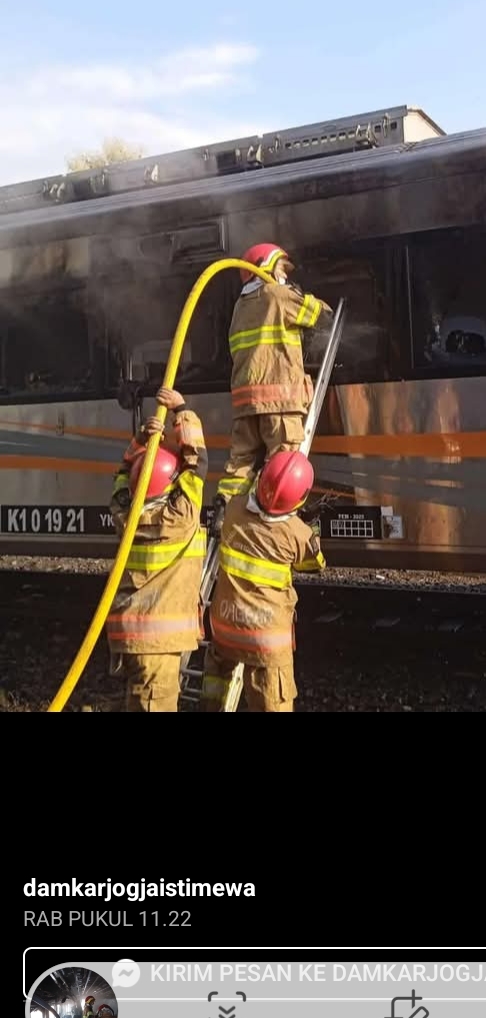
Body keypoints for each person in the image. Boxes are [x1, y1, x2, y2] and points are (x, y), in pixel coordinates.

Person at [105, 386, 208, 712]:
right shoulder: (179, 517)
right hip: (157, 643)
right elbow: (198, 462)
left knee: (137, 700)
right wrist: (182, 411)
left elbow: (123, 477)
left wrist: (140, 441)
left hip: (130, 639)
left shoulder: (126, 516)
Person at [201, 452, 325, 713]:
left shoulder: (233, 509)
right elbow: (315, 565)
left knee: (217, 675)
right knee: (272, 696)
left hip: (225, 628)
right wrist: (310, 529)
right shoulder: (297, 533)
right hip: (265, 639)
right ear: (299, 499)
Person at [217, 243, 332, 502]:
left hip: (246, 405)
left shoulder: (239, 307)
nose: (285, 276)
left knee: (241, 465)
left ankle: (226, 509)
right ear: (264, 268)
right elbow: (321, 315)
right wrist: (300, 295)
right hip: (279, 400)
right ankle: (275, 523)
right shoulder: (277, 295)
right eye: (282, 269)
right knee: (284, 464)